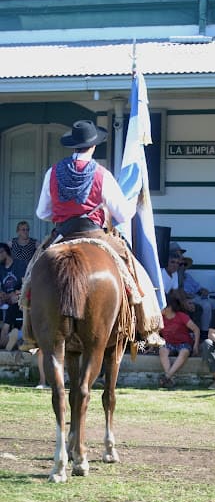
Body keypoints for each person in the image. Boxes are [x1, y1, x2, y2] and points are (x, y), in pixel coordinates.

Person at [20, 120, 162, 351]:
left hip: (62, 234)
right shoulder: (102, 174)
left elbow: (42, 212)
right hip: (96, 234)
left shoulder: (52, 172)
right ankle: (147, 326)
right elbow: (123, 214)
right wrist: (133, 202)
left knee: (31, 276)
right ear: (93, 146)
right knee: (134, 272)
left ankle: (29, 332)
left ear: (73, 146)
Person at [158, 290, 200, 389]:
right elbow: (156, 332)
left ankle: (167, 376)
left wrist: (196, 345)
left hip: (183, 343)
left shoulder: (181, 316)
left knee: (184, 352)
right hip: (169, 343)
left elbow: (196, 329)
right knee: (162, 351)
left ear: (168, 307)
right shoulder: (160, 318)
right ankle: (170, 378)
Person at [0, 243, 26, 349]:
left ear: (3, 252)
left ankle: (14, 335)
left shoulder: (20, 264)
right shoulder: (0, 268)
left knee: (16, 299)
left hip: (18, 298)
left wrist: (13, 294)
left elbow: (25, 284)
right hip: (5, 300)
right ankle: (12, 337)